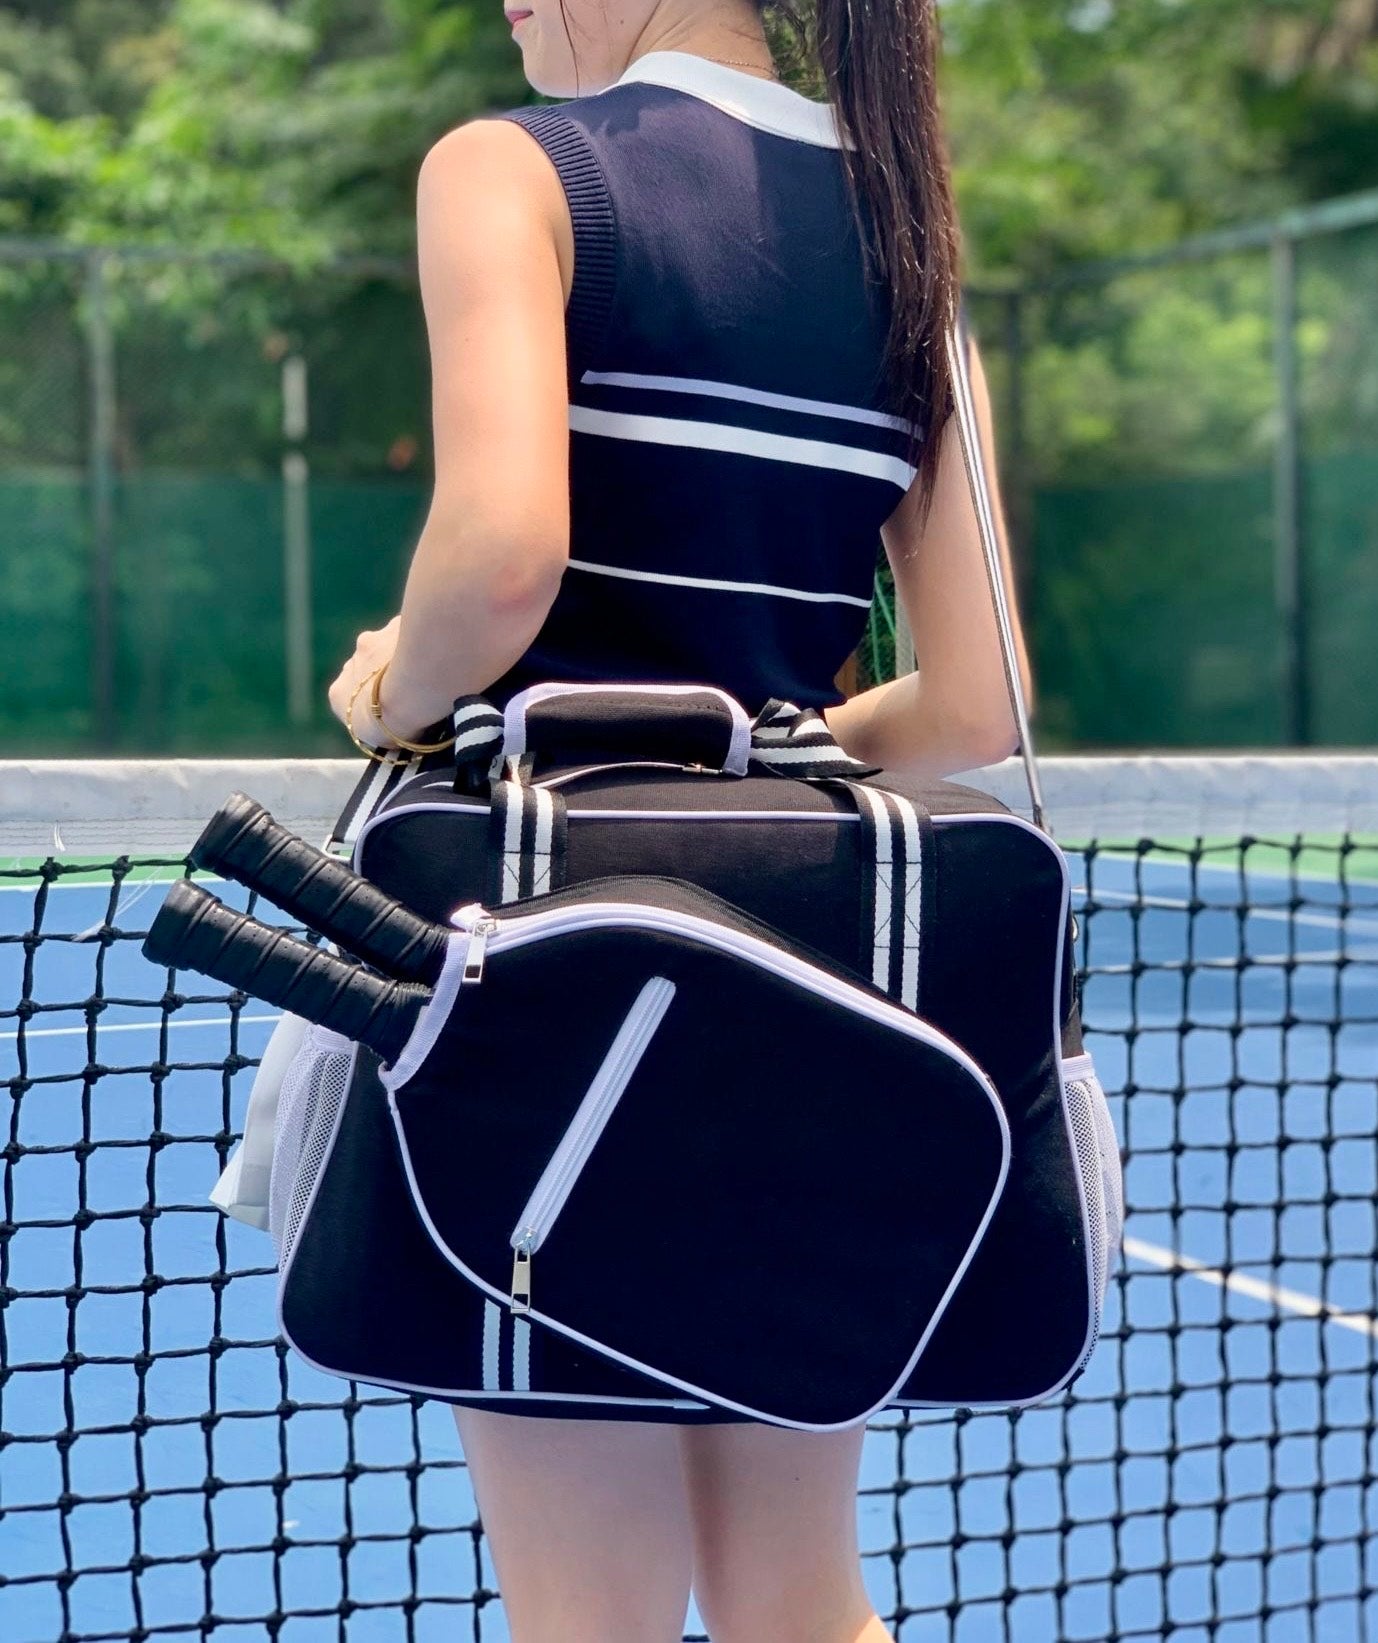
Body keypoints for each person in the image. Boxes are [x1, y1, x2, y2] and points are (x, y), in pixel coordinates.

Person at [326, 2, 1035, 1639]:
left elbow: (500, 567)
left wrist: (382, 689)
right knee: (801, 1600)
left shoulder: (512, 174)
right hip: (819, 964)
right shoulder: (900, 223)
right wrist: (777, 747)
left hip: (554, 959)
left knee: (596, 1619)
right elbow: (981, 701)